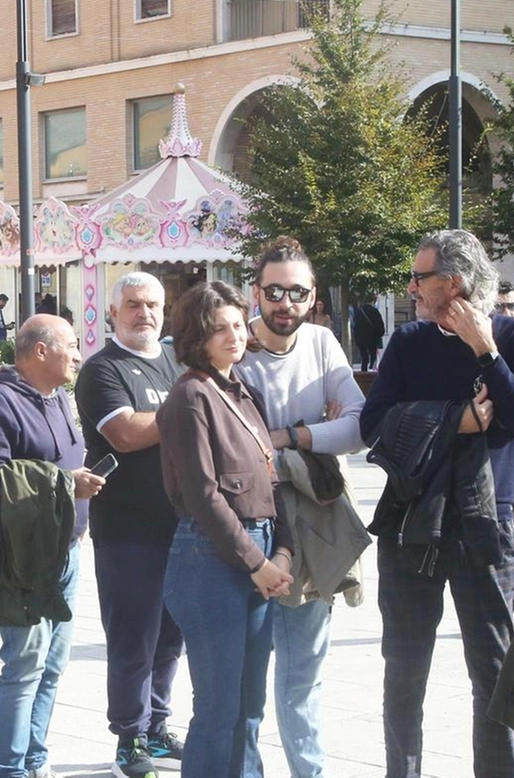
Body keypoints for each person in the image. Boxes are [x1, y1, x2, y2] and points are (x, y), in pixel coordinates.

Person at [359, 229, 514, 778]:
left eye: (420, 278)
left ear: (454, 283)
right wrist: (454, 419)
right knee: (405, 665)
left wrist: (485, 351)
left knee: (493, 668)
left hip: (487, 523)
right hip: (411, 519)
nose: (411, 288)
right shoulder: (409, 340)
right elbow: (374, 425)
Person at [235, 240, 367, 778]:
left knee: (301, 677)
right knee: (242, 678)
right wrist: (318, 432)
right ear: (255, 292)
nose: (285, 302)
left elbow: (358, 426)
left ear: (313, 297)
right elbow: (223, 441)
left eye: (297, 292)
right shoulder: (232, 344)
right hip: (243, 525)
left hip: (312, 525)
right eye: (274, 291)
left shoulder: (321, 342)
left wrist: (286, 435)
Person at [158, 280, 294, 778]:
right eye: (219, 330)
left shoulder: (239, 390)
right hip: (207, 560)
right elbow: (202, 494)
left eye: (237, 324)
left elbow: (271, 476)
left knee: (249, 704)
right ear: (196, 337)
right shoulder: (191, 396)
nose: (234, 336)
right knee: (219, 709)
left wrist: (283, 552)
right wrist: (256, 562)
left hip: (257, 551)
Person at [0, 314, 105, 778]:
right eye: (70, 344)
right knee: (25, 662)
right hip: (23, 556)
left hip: (67, 549)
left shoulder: (60, 396)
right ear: (41, 351)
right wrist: (66, 484)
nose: (78, 353)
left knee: (53, 664)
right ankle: (9, 768)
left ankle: (34, 759)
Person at [73, 272, 185, 778]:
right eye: (134, 305)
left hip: (181, 526)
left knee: (170, 637)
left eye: (154, 305)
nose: (145, 313)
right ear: (114, 312)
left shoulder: (176, 361)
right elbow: (125, 433)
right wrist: (191, 410)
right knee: (133, 638)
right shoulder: (101, 370)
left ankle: (158, 727)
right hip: (127, 531)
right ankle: (129, 737)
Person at [349, 300, 386, 371]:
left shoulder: (358, 312)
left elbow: (355, 326)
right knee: (373, 356)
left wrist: (357, 338)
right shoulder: (374, 311)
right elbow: (380, 325)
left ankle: (364, 372)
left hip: (361, 339)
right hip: (372, 338)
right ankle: (372, 371)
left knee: (364, 357)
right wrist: (379, 334)